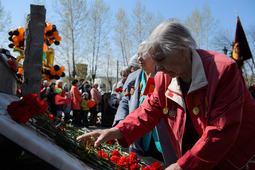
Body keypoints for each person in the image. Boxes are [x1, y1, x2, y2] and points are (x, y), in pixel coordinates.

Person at [77, 19, 255, 170]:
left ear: (182, 49)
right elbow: (148, 110)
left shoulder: (223, 70)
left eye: (162, 59)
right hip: (194, 156)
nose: (159, 68)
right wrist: (113, 131)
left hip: (233, 158)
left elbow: (221, 131)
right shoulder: (164, 77)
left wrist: (182, 166)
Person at [112, 41, 176, 166]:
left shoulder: (167, 76)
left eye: (144, 54)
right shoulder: (133, 78)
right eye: (138, 54)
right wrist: (120, 121)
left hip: (162, 139)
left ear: (155, 57)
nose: (139, 58)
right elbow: (125, 101)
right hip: (138, 138)